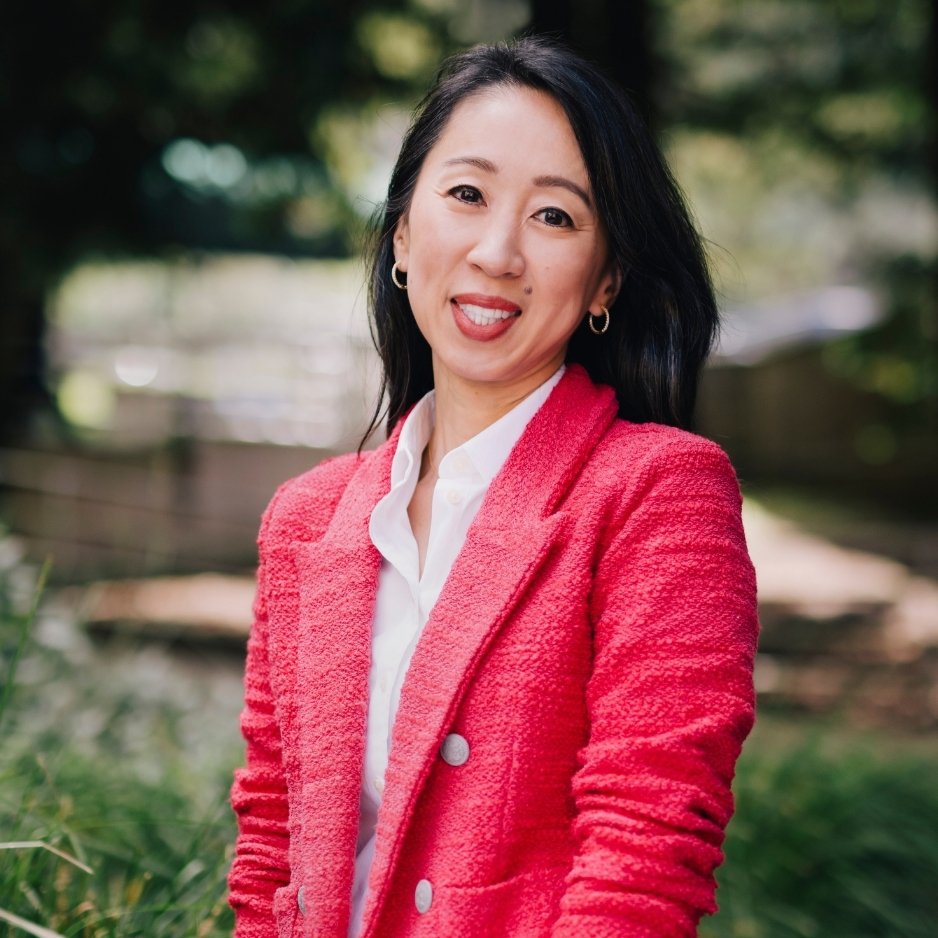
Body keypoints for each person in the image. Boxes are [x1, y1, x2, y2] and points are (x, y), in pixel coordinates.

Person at [228, 35, 758, 938]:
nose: (498, 252)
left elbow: (644, 847)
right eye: (466, 195)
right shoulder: (306, 520)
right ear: (402, 230)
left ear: (607, 280)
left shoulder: (658, 493)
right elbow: (270, 847)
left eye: (555, 217)